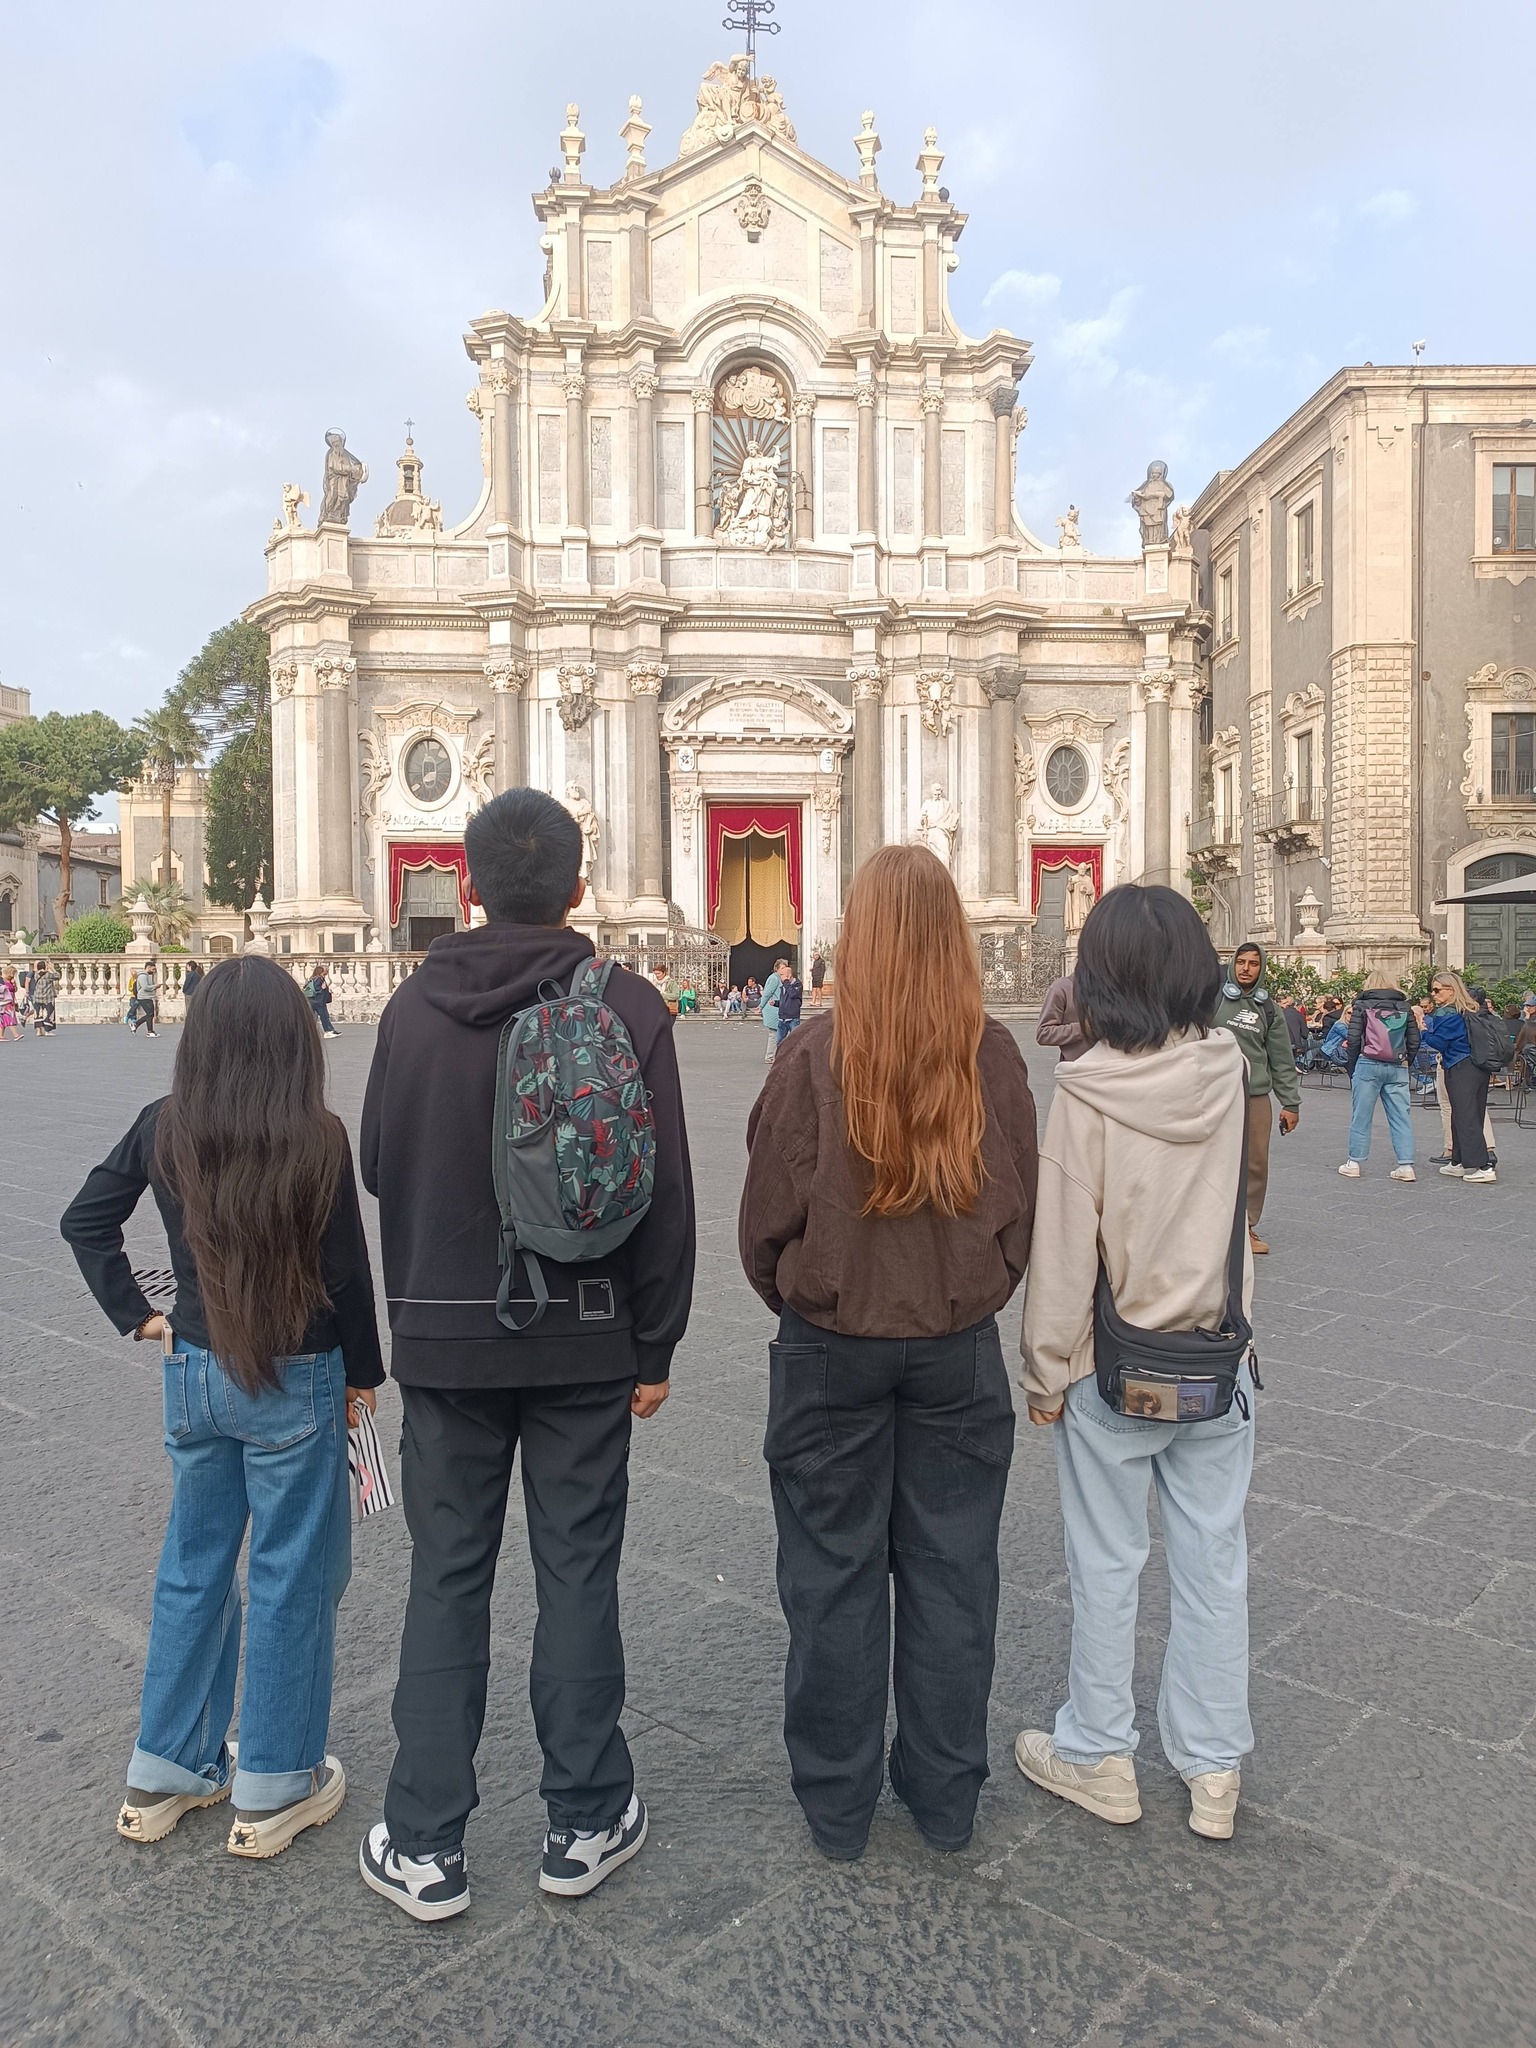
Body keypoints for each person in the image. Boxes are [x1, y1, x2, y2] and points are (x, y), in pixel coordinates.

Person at [357, 787, 695, 1923]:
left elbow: (377, 1162)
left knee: (446, 1578)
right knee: (578, 1573)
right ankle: (585, 1818)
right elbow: (665, 1195)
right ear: (579, 888)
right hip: (588, 1334)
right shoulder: (629, 1003)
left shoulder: (410, 1008)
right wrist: (655, 1340)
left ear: (466, 884)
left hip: (445, 1339)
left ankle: (424, 1841)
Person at [739, 844, 1038, 1858]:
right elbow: (1020, 1205)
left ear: (856, 938)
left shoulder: (811, 1054)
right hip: (957, 1348)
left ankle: (837, 1803)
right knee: (955, 1574)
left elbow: (764, 1220)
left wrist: (808, 1290)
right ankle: (946, 1796)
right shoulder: (991, 1054)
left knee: (832, 1576)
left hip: (831, 1345)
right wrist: (978, 1281)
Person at [59, 957, 383, 1858]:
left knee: (191, 1567)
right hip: (297, 1374)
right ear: (293, 1041)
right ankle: (275, 1784)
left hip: (196, 1370)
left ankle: (166, 1769)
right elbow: (347, 1274)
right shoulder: (317, 1135)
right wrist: (363, 1376)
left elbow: (85, 1220)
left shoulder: (163, 1124)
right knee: (290, 1577)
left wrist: (140, 1315)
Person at [1017, 883, 1255, 1844]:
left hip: (1113, 1365)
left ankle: (1099, 1753)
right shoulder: (1230, 1068)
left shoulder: (1086, 1094)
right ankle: (1214, 1766)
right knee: (1214, 1564)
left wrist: (1045, 1372)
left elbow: (1064, 1249)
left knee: (1107, 1562)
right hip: (1218, 1357)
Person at [1211, 943, 1299, 1255]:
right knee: (1211, 1159)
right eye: (1241, 962)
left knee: (1255, 1162)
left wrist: (1290, 1103)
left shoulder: (1269, 1009)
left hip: (1255, 1094)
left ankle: (1246, 1226)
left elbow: (1281, 1058)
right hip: (1214, 1093)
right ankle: (1210, 1225)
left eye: (1253, 963)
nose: (1246, 969)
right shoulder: (1213, 1000)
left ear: (1261, 969)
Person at [1420, 972, 1496, 1181]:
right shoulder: (1471, 1009)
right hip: (1478, 1066)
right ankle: (1457, 1162)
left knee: (1464, 1116)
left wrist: (1423, 1031)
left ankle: (1484, 1166)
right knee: (1469, 1113)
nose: (1433, 994)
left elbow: (1439, 1043)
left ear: (1451, 990)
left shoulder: (1447, 1013)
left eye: (1437, 990)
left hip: (1460, 1066)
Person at [1340, 986, 1419, 1180]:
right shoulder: (1405, 1007)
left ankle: (1354, 1163)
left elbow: (1353, 1039)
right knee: (1401, 1117)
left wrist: (1353, 1066)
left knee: (1361, 1115)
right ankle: (1406, 1165)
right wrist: (1407, 1060)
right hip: (1397, 1064)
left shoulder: (1362, 1005)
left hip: (1368, 1062)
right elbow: (1414, 1039)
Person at [1036, 973, 1088, 1062]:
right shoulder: (1062, 988)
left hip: (1110, 1063)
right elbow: (1043, 1033)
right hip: (1075, 1065)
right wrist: (1082, 1029)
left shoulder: (1111, 986)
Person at [304, 965, 339, 1039]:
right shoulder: (318, 979)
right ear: (321, 971)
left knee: (315, 1017)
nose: (327, 971)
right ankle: (328, 1031)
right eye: (325, 970)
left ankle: (328, 1030)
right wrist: (322, 988)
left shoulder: (315, 978)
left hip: (315, 1001)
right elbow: (317, 989)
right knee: (324, 1016)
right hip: (318, 1001)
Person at [775, 961, 804, 1049]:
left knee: (795, 1042)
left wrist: (786, 982)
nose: (780, 977)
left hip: (793, 1018)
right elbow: (785, 1001)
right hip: (782, 1018)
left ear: (789, 975)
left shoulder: (797, 984)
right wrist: (776, 1003)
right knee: (779, 1042)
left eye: (782, 975)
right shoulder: (783, 986)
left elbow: (792, 994)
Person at [760, 961, 783, 1063]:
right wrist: (761, 1006)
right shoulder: (774, 978)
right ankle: (770, 1056)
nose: (784, 970)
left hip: (776, 1007)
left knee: (777, 1033)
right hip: (773, 1009)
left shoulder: (778, 978)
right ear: (777, 969)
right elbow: (767, 993)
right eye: (782, 968)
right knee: (774, 1033)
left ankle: (774, 1055)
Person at [129, 961, 159, 1036]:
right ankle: (136, 1024)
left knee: (150, 1014)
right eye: (153, 969)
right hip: (143, 997)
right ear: (148, 967)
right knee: (150, 1014)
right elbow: (145, 987)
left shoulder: (147, 976)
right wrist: (155, 986)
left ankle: (150, 1031)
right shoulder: (143, 976)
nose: (154, 971)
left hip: (148, 997)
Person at [30, 963, 59, 1037]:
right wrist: (52, 968)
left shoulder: (36, 974)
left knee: (38, 1013)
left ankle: (38, 1031)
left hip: (37, 996)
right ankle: (47, 1030)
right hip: (48, 997)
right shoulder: (48, 975)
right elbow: (57, 976)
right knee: (48, 1013)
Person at [1279, 992, 1309, 1062]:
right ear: (1294, 1005)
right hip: (1295, 1043)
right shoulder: (1299, 1015)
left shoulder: (1278, 1014)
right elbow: (1305, 1034)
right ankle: (1301, 1062)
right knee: (1317, 1045)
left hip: (1281, 1042)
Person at [0, 970, 20, 1043]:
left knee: (3, 1019)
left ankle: (1, 1036)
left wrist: (14, 984)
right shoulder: (3, 980)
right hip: (5, 1001)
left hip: (9, 1001)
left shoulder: (10, 981)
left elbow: (14, 990)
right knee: (9, 1017)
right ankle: (16, 1035)